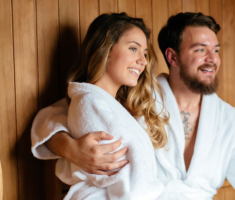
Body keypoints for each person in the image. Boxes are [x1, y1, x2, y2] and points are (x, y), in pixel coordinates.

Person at [32, 12, 235, 200]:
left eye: (216, 50)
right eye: (200, 49)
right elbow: (65, 109)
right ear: (172, 56)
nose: (212, 59)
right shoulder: (135, 94)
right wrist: (69, 148)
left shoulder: (229, 120)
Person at [40, 12, 172, 199]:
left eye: (144, 53)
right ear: (106, 49)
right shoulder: (91, 102)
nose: (143, 61)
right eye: (133, 49)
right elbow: (126, 180)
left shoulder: (110, 104)